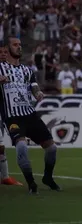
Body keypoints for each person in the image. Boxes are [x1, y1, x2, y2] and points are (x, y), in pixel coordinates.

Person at [0, 37, 57, 194]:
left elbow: (34, 86)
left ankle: (47, 177)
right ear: (7, 48)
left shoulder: (27, 70)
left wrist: (38, 93)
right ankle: (31, 183)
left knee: (52, 148)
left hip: (30, 114)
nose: (19, 47)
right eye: (15, 45)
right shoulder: (0, 67)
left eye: (20, 44)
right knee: (22, 146)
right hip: (12, 116)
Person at [0, 44, 22, 186]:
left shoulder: (9, 69)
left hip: (3, 112)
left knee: (1, 146)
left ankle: (6, 177)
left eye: (5, 52)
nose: (3, 54)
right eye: (0, 52)